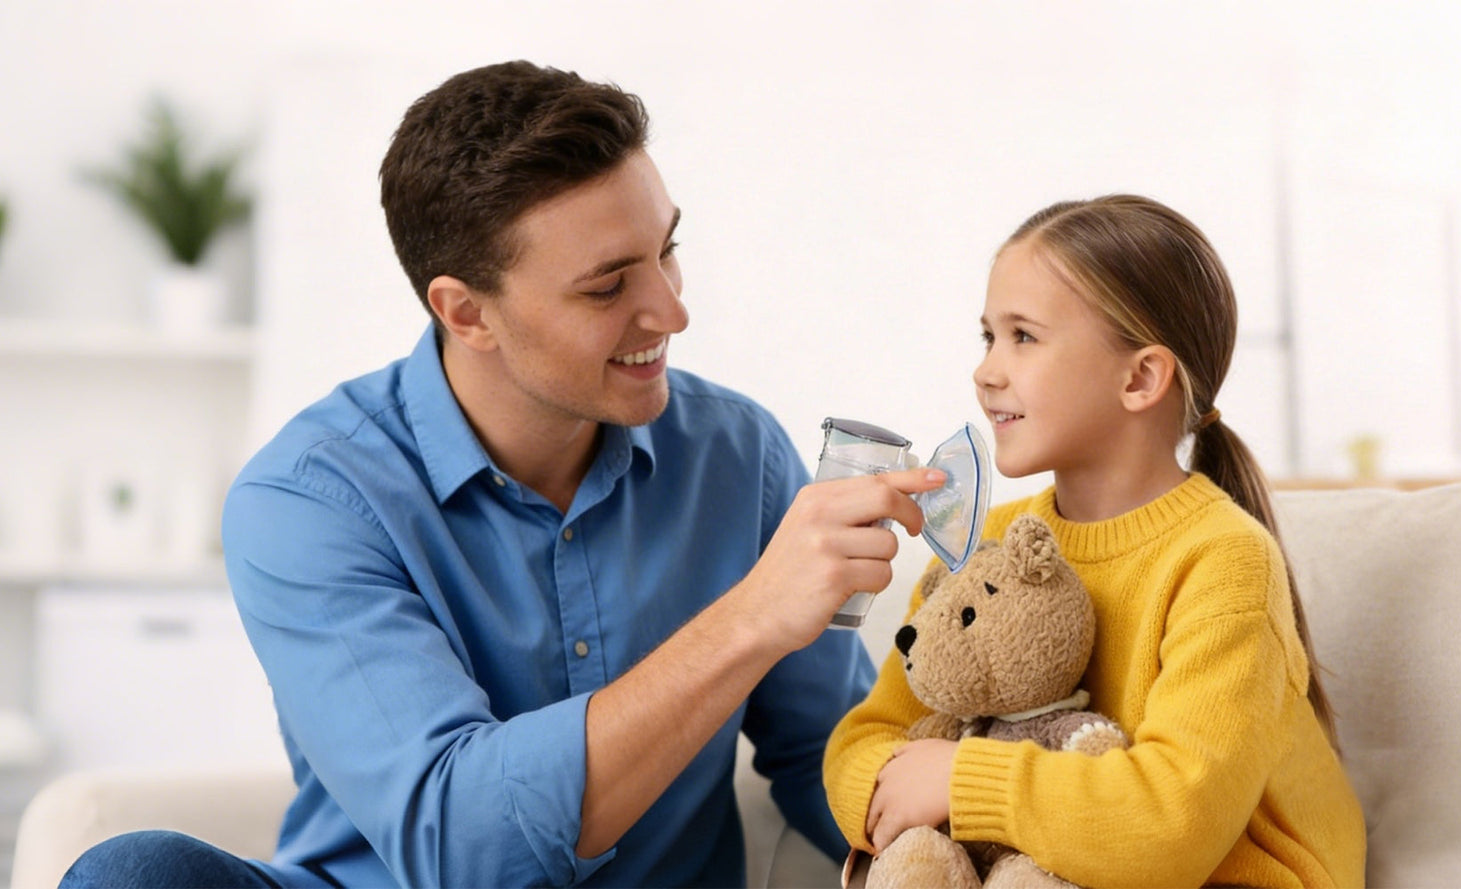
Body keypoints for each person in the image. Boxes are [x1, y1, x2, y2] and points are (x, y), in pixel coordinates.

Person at [59, 60, 946, 889]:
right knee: (132, 872)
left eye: (666, 250)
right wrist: (751, 616)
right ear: (465, 311)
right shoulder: (307, 498)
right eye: (608, 287)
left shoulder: (735, 451)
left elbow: (821, 755)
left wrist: (1003, 817)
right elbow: (464, 846)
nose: (672, 309)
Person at [823, 195, 1367, 888]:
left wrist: (962, 779)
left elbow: (1172, 825)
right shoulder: (989, 538)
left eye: (1023, 336)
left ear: (1140, 377)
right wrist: (894, 790)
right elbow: (867, 739)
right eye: (987, 336)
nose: (986, 370)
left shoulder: (1224, 558)